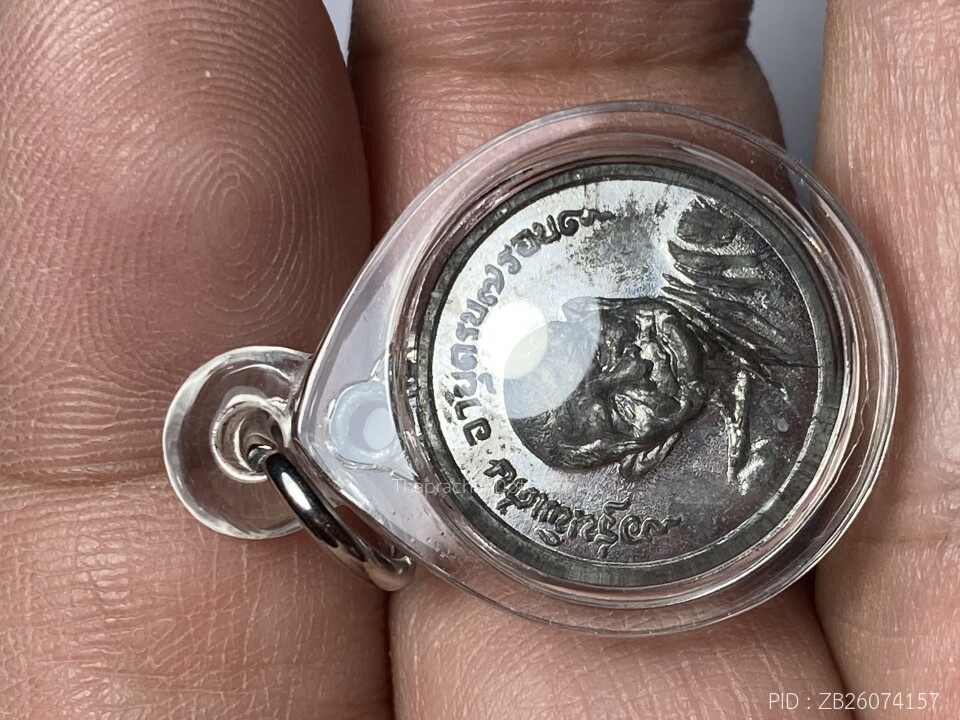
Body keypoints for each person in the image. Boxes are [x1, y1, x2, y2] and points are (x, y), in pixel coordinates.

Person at [0, 1, 954, 718]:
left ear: (608, 301)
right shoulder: (760, 468)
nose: (633, 373)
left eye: (601, 346)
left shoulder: (714, 240)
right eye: (605, 411)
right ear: (628, 462)